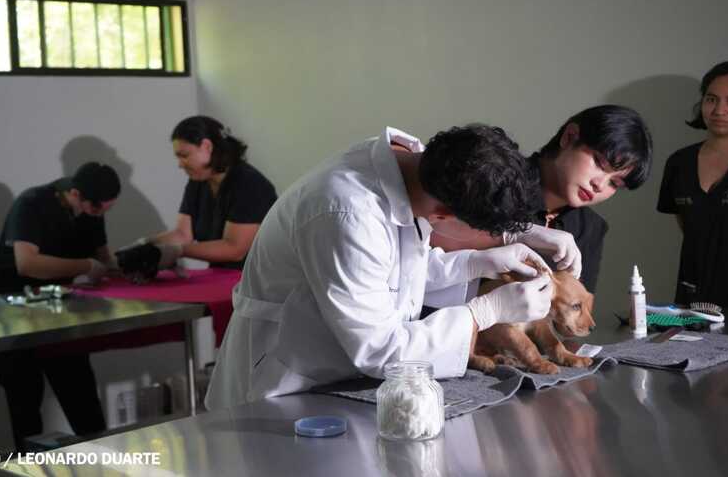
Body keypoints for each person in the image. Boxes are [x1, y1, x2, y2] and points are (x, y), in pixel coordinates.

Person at [206, 125, 581, 410]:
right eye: (480, 235)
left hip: (335, 372)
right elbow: (378, 348)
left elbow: (391, 274)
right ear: (444, 214)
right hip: (287, 383)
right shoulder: (347, 213)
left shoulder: (417, 168)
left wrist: (474, 262)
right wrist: (486, 311)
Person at [427, 105, 653, 308]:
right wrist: (516, 235)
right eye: (599, 163)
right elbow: (431, 234)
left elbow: (572, 320)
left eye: (614, 183)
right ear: (569, 136)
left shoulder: (590, 228)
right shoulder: (494, 177)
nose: (599, 184)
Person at [0, 162, 121, 451]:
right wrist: (85, 266)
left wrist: (143, 260)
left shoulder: (93, 212)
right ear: (75, 194)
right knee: (25, 411)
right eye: (97, 209)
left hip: (60, 316)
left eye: (105, 210)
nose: (99, 216)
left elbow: (106, 262)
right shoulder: (32, 204)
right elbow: (27, 263)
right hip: (15, 314)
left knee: (85, 406)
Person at [658, 61, 728, 307]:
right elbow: (689, 225)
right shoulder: (679, 163)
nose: (719, 110)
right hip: (693, 297)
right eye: (711, 99)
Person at [139, 116, 277, 270]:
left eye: (184, 156)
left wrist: (178, 251)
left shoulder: (250, 184)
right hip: (222, 280)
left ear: (207, 147)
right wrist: (145, 245)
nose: (180, 164)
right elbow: (183, 234)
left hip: (257, 286)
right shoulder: (198, 181)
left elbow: (235, 249)